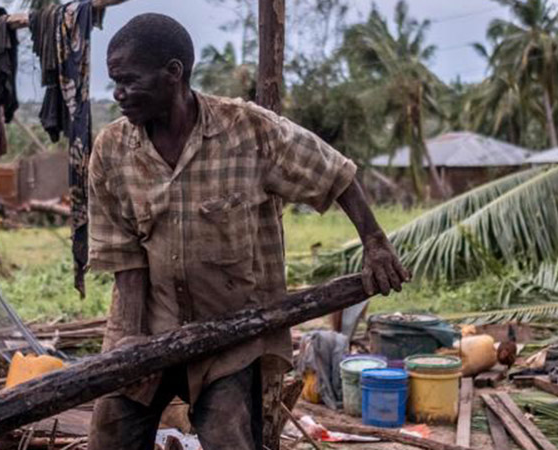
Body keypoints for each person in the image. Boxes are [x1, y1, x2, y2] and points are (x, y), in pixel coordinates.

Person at [86, 13, 410, 450]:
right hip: (148, 326)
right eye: (114, 83)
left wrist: (375, 244)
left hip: (232, 335)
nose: (119, 94)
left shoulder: (249, 130)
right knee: (111, 436)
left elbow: (333, 172)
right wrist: (128, 341)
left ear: (174, 73)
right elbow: (123, 255)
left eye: (128, 80)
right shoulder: (111, 150)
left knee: (230, 438)